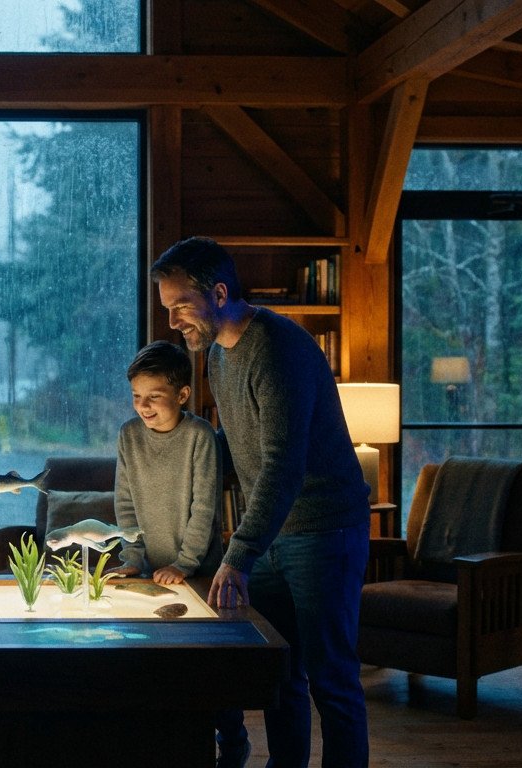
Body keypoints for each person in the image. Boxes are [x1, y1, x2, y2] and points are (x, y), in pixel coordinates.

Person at [152, 236, 371, 768]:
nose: (173, 322)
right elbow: (237, 444)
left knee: (332, 681)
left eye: (181, 305)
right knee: (281, 674)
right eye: (168, 309)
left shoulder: (276, 348)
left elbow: (281, 465)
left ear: (219, 293)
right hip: (273, 537)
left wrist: (238, 554)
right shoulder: (218, 356)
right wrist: (177, 454)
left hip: (324, 532)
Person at [110, 340, 222, 584]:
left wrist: (184, 564)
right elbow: (125, 504)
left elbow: (204, 509)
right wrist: (132, 559)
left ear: (182, 395)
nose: (143, 405)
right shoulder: (128, 435)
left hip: (199, 573)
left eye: (154, 396)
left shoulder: (200, 435)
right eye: (136, 395)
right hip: (149, 571)